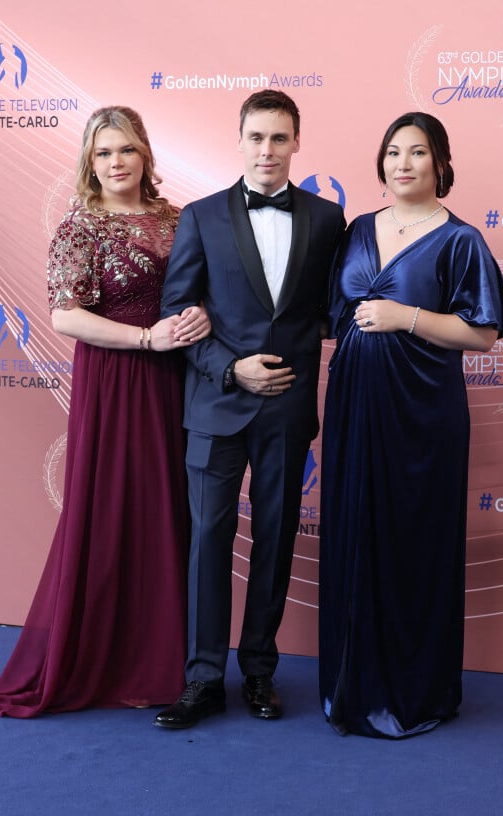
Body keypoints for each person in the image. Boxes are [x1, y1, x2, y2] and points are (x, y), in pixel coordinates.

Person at [0, 106, 210, 718]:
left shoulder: (178, 218)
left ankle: (158, 659)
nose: (115, 163)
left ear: (145, 156)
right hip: (115, 378)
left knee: (166, 510)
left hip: (175, 378)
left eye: (126, 150)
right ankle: (101, 659)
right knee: (110, 509)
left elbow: (204, 290)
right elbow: (63, 315)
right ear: (89, 161)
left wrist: (199, 318)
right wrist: (144, 339)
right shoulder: (80, 226)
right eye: (104, 153)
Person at [319, 112, 503, 739]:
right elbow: (336, 318)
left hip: (422, 414)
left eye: (418, 153)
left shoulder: (460, 240)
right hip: (355, 404)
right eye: (393, 152)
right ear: (380, 163)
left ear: (440, 165)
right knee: (356, 532)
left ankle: (413, 691)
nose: (403, 163)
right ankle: (351, 689)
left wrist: (406, 316)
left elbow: (484, 335)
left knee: (413, 541)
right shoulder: (356, 232)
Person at [153, 90, 345, 729]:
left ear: (297, 142)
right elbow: (176, 312)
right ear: (239, 141)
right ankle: (203, 679)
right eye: (257, 138)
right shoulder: (200, 216)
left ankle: (259, 669)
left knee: (276, 539)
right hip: (214, 406)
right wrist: (229, 367)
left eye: (279, 139)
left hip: (287, 409)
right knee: (208, 541)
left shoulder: (326, 219)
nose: (267, 150)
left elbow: (327, 310)